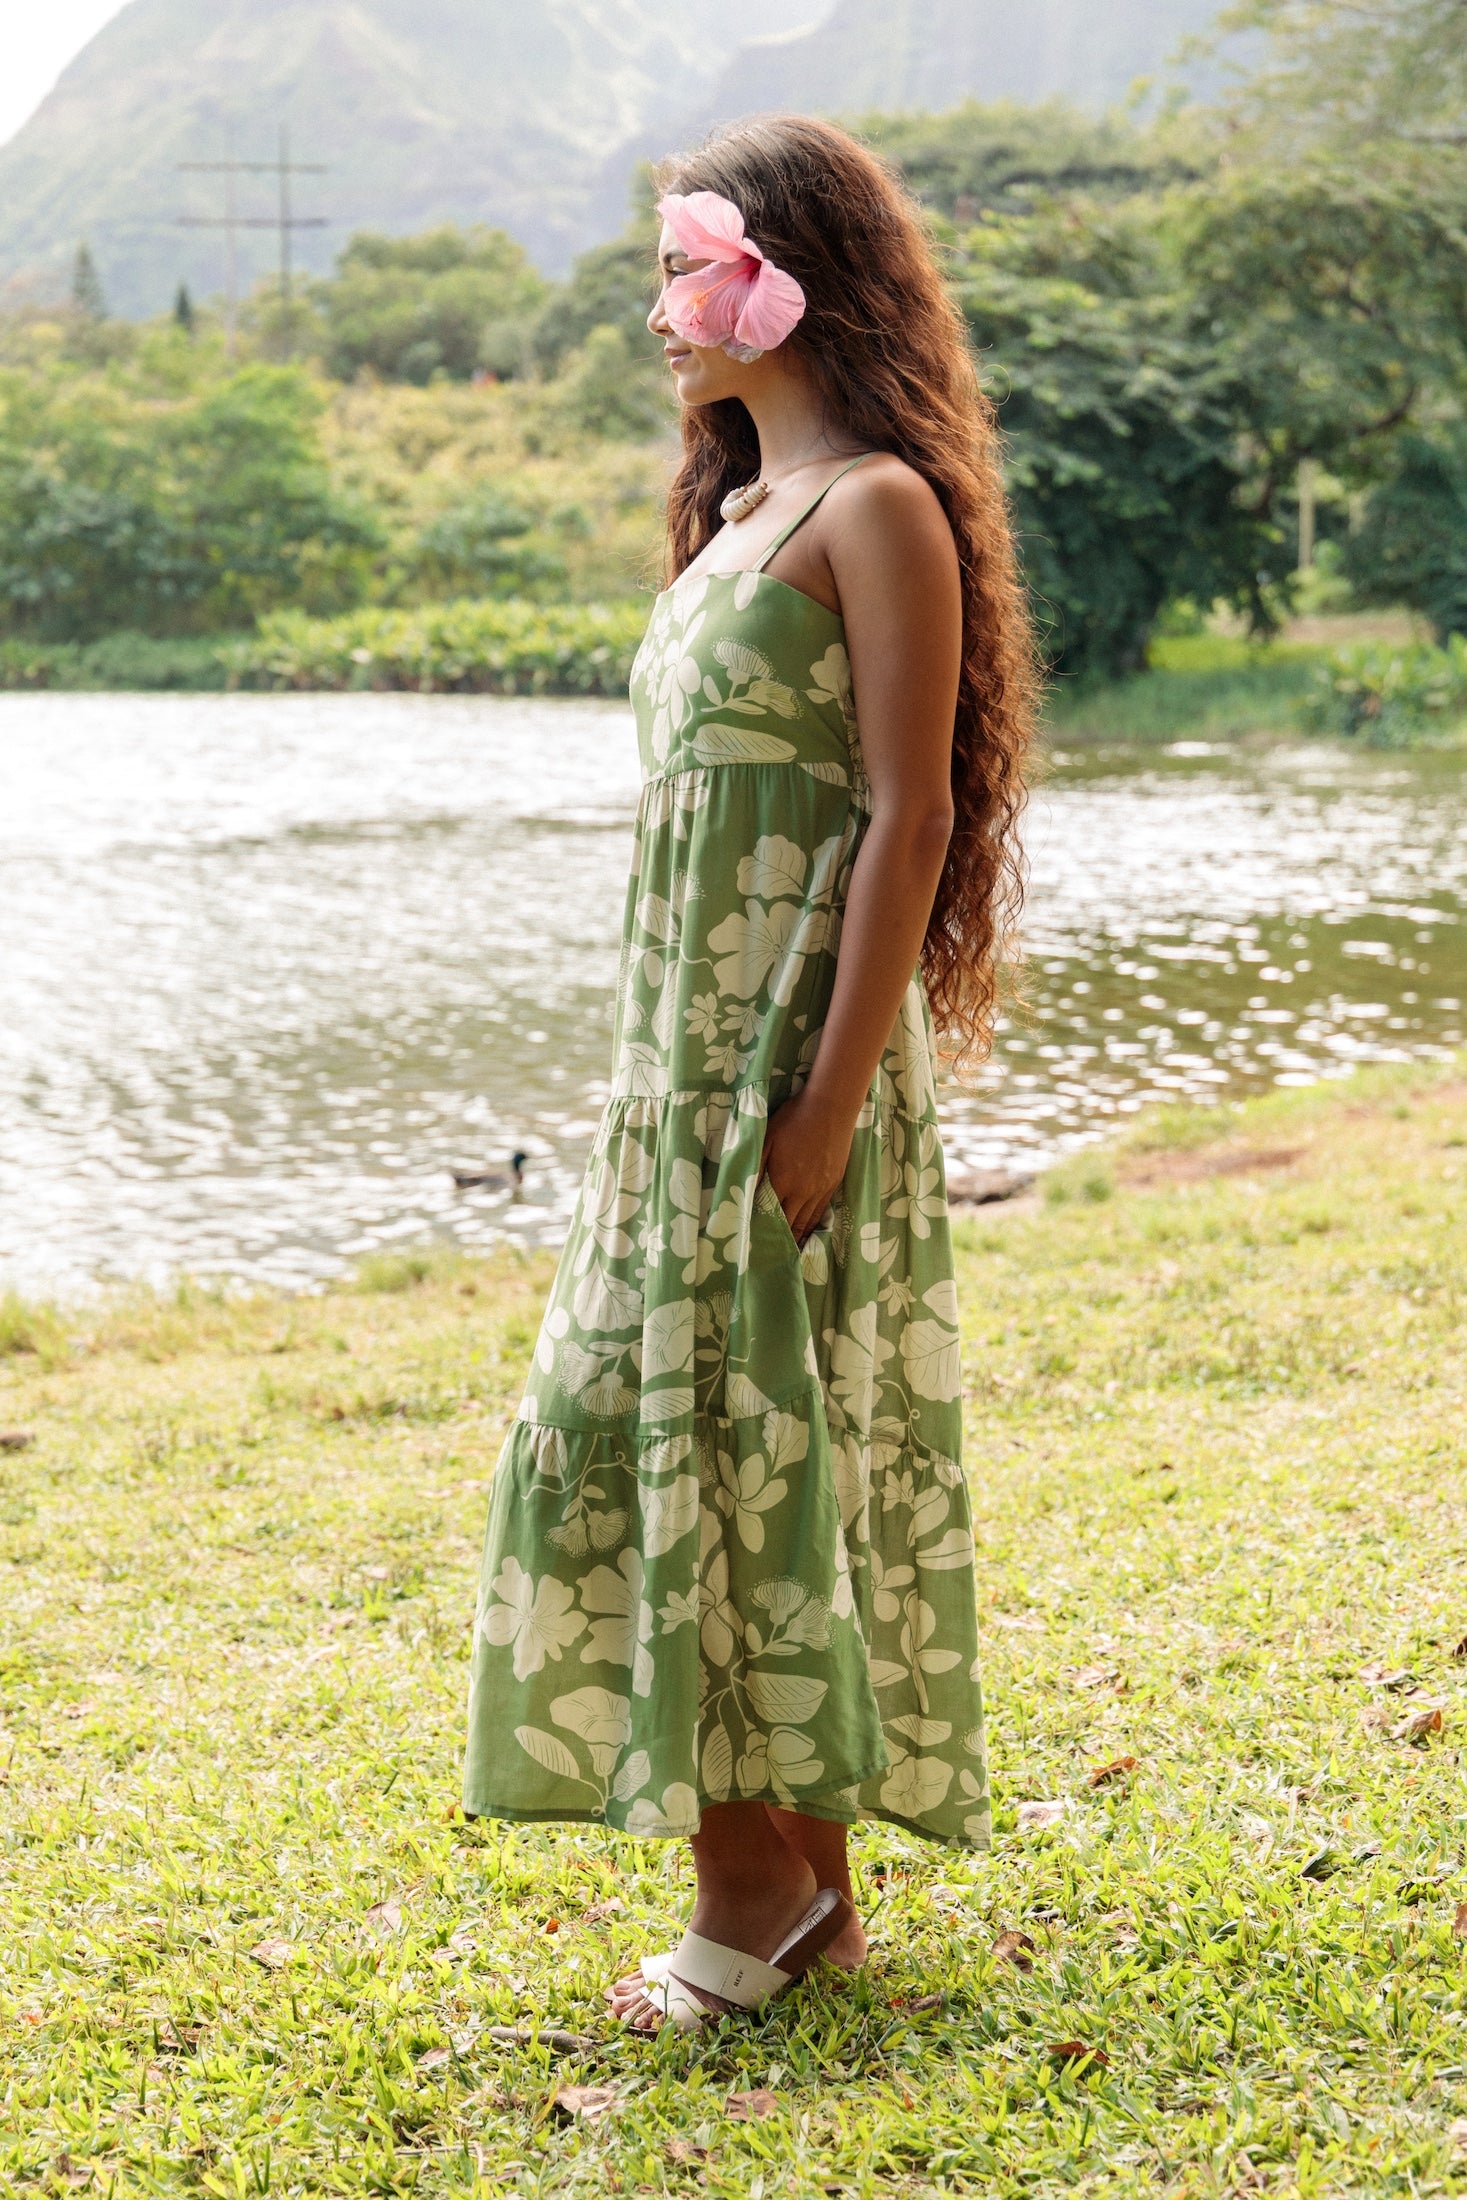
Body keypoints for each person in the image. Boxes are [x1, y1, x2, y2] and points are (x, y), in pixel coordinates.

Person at [463, 114, 1038, 2031]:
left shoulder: (877, 505)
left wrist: (818, 1103)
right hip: (674, 1071)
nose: (660, 310)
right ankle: (809, 1906)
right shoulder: (727, 521)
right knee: (701, 1444)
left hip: (784, 1071)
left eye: (682, 267)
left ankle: (756, 1892)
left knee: (701, 1449)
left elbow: (908, 818)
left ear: (781, 277)